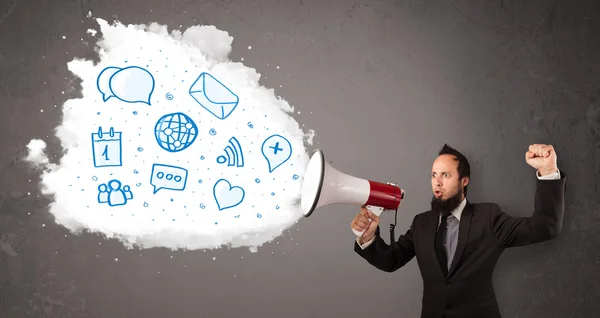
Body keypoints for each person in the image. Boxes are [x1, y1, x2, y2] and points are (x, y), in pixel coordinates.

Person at [351, 143, 566, 318]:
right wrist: (368, 237)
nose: (437, 182)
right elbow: (391, 261)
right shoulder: (421, 223)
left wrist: (547, 172)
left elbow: (544, 228)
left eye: (445, 175)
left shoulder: (488, 218)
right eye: (434, 175)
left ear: (464, 181)